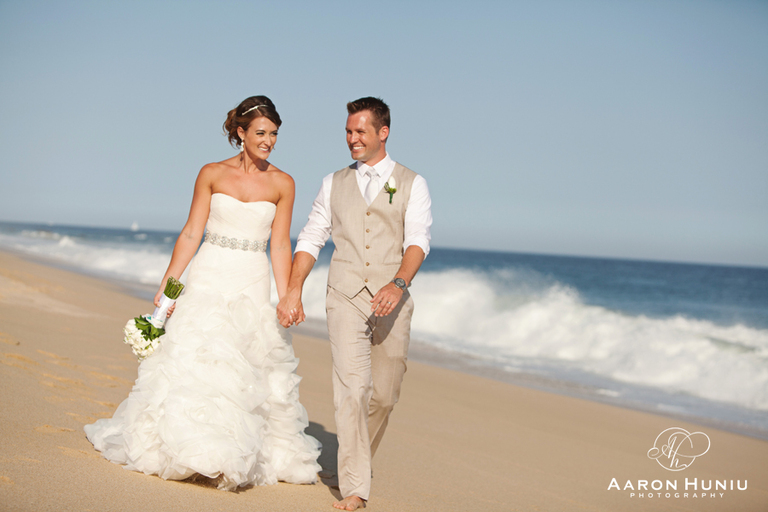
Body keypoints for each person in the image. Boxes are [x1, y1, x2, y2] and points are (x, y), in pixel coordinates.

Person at [84, 96, 321, 491]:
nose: (268, 141)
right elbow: (192, 231)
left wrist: (287, 295)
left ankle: (230, 454)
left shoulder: (283, 183)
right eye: (260, 133)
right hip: (209, 272)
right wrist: (169, 284)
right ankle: (193, 451)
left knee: (243, 366)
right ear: (241, 133)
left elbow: (280, 245)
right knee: (199, 360)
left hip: (251, 277)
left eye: (274, 134)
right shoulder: (211, 173)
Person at [277, 97, 432, 510]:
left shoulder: (413, 183)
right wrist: (294, 288)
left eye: (360, 131)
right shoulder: (333, 183)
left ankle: (355, 460)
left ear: (383, 133)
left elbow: (418, 241)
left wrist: (398, 284)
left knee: (383, 395)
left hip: (392, 298)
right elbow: (311, 237)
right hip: (344, 294)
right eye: (348, 131)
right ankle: (355, 487)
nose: (352, 139)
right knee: (352, 389)